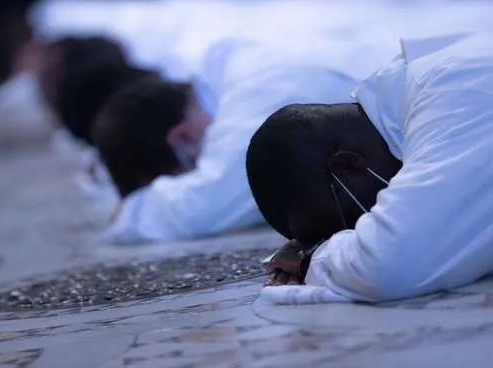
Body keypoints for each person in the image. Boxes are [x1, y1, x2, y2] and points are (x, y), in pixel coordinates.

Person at [246, 32, 493, 304]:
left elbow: (390, 264)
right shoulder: (422, 89)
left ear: (347, 165)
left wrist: (311, 259)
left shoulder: (452, 92)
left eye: (344, 228)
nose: (356, 233)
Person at [94, 38, 397, 243]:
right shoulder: (235, 72)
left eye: (190, 170)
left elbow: (207, 204)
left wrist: (130, 212)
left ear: (182, 139)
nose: (205, 166)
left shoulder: (255, 94)